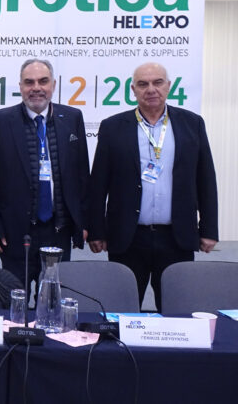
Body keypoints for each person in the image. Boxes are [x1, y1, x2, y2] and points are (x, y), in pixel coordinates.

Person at [88, 62, 218, 310]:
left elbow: (205, 179)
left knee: (176, 309)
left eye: (158, 82)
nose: (151, 89)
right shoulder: (112, 127)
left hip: (176, 237)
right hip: (128, 237)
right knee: (122, 309)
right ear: (133, 90)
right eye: (143, 84)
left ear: (168, 86)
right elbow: (98, 183)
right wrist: (96, 230)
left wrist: (209, 228)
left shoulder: (192, 124)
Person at [0, 58, 89, 293]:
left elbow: (81, 175)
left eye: (43, 81)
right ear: (20, 86)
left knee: (53, 299)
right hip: (15, 234)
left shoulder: (72, 118)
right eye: (29, 82)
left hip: (59, 231)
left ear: (53, 85)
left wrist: (83, 223)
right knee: (15, 299)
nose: (36, 88)